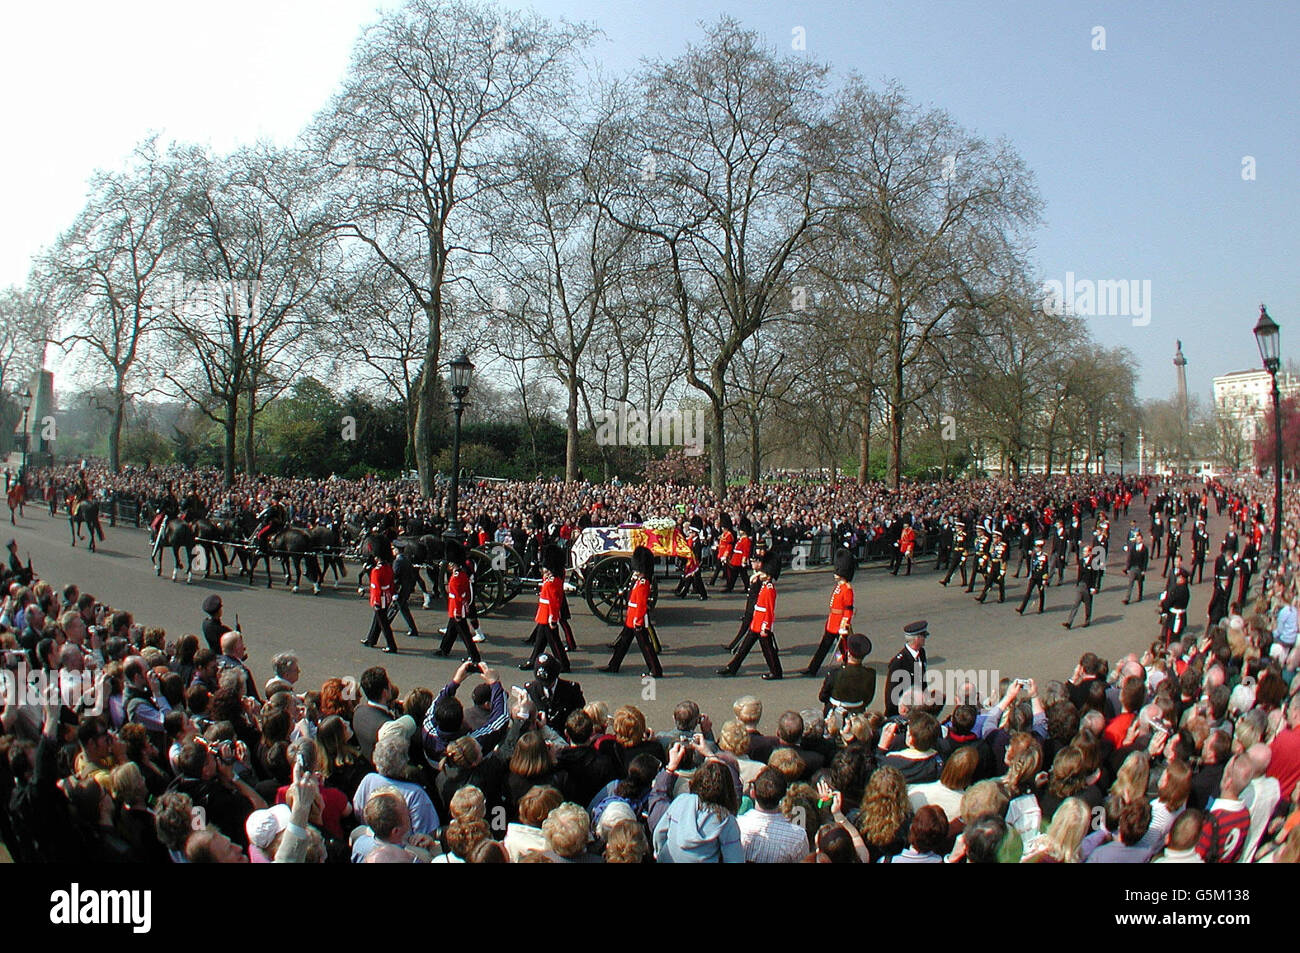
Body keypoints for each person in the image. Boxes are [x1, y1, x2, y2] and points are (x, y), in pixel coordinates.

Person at [650, 752, 743, 863]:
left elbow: (659, 833)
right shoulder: (726, 820)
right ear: (728, 789)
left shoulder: (681, 800)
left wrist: (660, 854)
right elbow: (735, 859)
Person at [716, 551, 782, 679]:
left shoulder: (769, 589)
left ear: (768, 575)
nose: (760, 573)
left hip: (762, 625)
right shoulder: (764, 585)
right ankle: (732, 667)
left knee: (769, 651)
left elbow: (768, 610)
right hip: (756, 622)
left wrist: (764, 627)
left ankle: (776, 672)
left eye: (763, 572)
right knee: (744, 648)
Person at [600, 546, 662, 677]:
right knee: (623, 643)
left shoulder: (644, 583)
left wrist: (638, 622)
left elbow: (640, 605)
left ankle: (656, 670)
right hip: (631, 617)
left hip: (637, 619)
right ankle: (614, 665)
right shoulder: (639, 580)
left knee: (646, 646)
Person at [801, 548, 856, 677]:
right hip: (832, 621)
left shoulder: (847, 589)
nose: (835, 573)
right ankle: (813, 668)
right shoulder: (839, 587)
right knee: (824, 646)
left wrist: (844, 624)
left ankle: (851, 668)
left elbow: (848, 609)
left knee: (845, 647)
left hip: (840, 623)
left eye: (837, 570)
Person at [521, 546, 569, 672]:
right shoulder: (551, 579)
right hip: (544, 614)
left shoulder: (553, 581)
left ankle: (564, 664)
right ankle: (533, 660)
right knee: (539, 642)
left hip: (548, 616)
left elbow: (553, 603)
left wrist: (552, 619)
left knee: (555, 642)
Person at [437, 539, 481, 662]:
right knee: (452, 630)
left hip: (457, 608)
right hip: (457, 607)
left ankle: (474, 657)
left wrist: (457, 612)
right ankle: (444, 649)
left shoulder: (457, 577)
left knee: (465, 634)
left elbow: (458, 596)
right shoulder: (460, 573)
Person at [817, 633, 875, 718]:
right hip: (858, 713)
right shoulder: (870, 674)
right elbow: (868, 699)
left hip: (835, 712)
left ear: (848, 653)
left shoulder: (835, 673)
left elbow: (822, 697)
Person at [360, 541, 398, 653]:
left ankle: (392, 645)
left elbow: (376, 588)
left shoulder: (377, 571)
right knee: (377, 620)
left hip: (379, 598)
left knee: (383, 623)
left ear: (377, 558)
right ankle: (371, 639)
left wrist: (376, 602)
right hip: (386, 596)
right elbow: (391, 584)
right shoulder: (388, 567)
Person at [885, 621, 928, 718]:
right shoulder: (898, 662)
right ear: (917, 638)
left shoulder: (921, 653)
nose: (925, 639)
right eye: (924, 636)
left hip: (918, 708)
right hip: (904, 712)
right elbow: (891, 695)